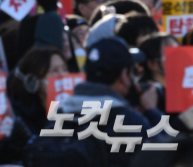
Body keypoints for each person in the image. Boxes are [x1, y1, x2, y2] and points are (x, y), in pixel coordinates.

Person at [55, 38, 164, 166]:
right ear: (124, 75)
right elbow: (167, 156)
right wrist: (152, 111)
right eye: (132, 71)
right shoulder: (130, 121)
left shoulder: (59, 114)